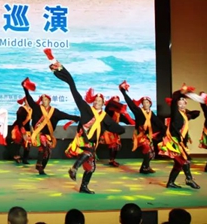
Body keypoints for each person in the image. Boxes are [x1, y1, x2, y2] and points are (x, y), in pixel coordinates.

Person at [45, 48, 125, 194]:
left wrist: (116, 130)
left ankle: (83, 187)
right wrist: (61, 70)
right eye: (96, 100)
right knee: (88, 151)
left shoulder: (105, 117)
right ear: (93, 101)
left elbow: (117, 128)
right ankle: (74, 168)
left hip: (92, 143)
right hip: (82, 140)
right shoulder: (86, 109)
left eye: (100, 101)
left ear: (103, 103)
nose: (97, 103)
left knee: (91, 167)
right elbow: (74, 89)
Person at [21, 77, 80, 175]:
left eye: (46, 99)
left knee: (48, 152)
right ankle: (39, 163)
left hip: (49, 135)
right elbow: (30, 100)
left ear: (49, 101)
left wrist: (77, 118)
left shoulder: (54, 111)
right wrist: (25, 89)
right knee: (44, 145)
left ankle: (41, 168)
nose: (44, 101)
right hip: (39, 134)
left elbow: (65, 115)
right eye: (43, 99)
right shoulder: (37, 108)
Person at [157, 84, 203, 189]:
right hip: (174, 143)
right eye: (180, 102)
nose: (182, 104)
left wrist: (187, 109)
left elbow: (197, 113)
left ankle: (170, 183)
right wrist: (181, 92)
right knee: (184, 161)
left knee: (178, 165)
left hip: (180, 143)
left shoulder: (185, 115)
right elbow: (174, 97)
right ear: (176, 104)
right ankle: (189, 179)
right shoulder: (175, 113)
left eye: (184, 102)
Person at [119, 81, 165, 174]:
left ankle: (145, 167)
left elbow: (159, 123)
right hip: (140, 135)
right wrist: (123, 92)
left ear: (150, 104)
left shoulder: (151, 113)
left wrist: (164, 132)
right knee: (147, 149)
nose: (145, 104)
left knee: (151, 153)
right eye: (144, 102)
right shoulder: (139, 112)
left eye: (147, 102)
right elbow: (131, 104)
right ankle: (145, 168)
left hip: (148, 136)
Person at [99, 94, 135, 167]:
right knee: (113, 145)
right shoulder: (108, 110)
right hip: (108, 130)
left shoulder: (118, 114)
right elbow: (110, 106)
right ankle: (111, 160)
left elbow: (126, 120)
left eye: (117, 102)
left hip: (115, 131)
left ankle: (112, 159)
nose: (116, 103)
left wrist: (135, 121)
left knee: (117, 146)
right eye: (114, 102)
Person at [7, 95, 33, 165]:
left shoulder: (31, 110)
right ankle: (16, 157)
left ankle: (25, 159)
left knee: (27, 144)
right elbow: (19, 120)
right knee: (18, 143)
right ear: (25, 101)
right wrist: (22, 129)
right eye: (27, 100)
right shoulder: (21, 109)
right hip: (19, 127)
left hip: (27, 129)